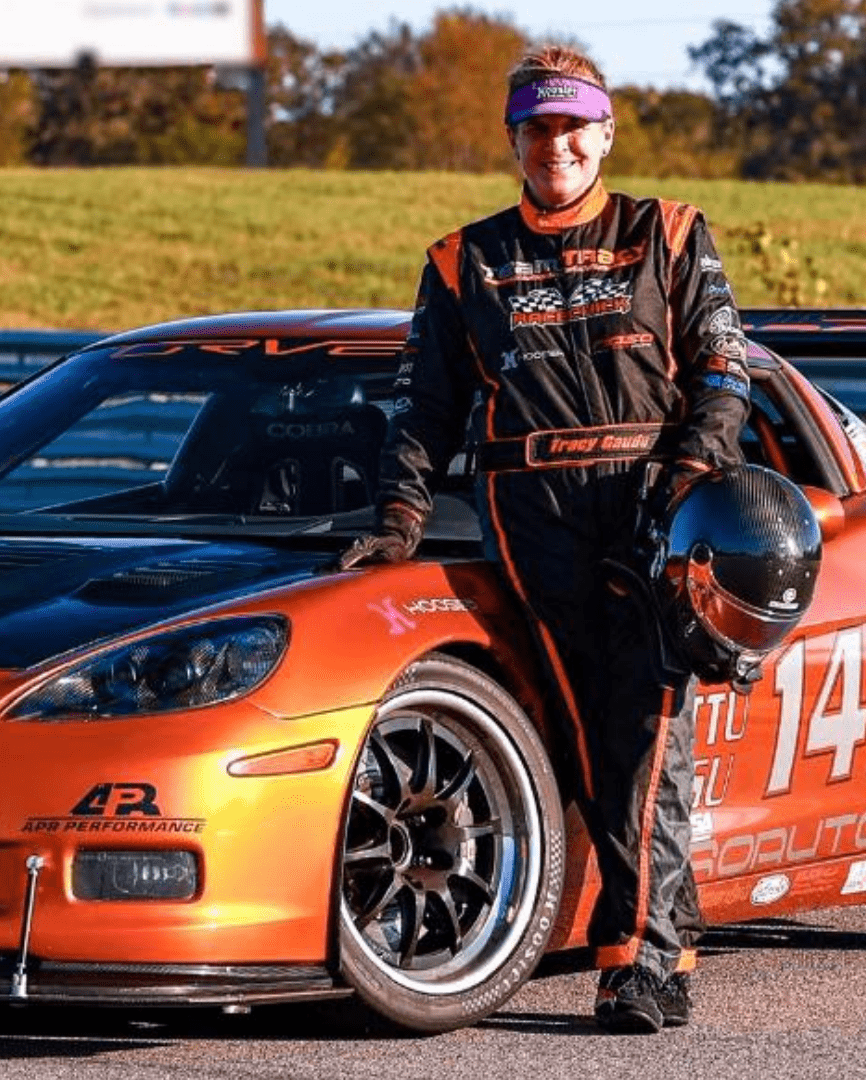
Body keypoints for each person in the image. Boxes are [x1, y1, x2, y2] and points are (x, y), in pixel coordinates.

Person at [339, 44, 750, 1034]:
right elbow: (422, 417)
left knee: (644, 741)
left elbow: (726, 378)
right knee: (583, 737)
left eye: (572, 126)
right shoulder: (461, 259)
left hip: (657, 515)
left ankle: (644, 967)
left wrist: (684, 486)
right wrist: (396, 526)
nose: (555, 144)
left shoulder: (673, 232)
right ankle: (633, 941)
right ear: (515, 141)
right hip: (533, 525)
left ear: (604, 133)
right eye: (537, 128)